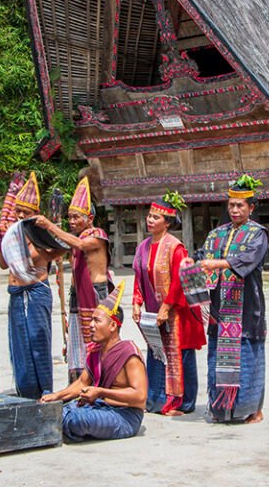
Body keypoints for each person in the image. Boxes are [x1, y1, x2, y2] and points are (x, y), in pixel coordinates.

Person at [185, 174, 269, 424]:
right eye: (231, 205)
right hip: (219, 307)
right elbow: (203, 256)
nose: (234, 210)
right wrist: (193, 262)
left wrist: (218, 263)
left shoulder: (258, 234)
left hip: (247, 308)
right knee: (218, 357)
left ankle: (250, 408)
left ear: (251, 208)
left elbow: (248, 260)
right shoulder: (216, 233)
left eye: (240, 205)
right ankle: (221, 408)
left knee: (247, 358)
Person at [40, 282, 147, 442]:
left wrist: (101, 392)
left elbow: (139, 396)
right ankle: (58, 419)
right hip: (98, 407)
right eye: (91, 321)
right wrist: (57, 396)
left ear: (112, 326)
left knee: (78, 419)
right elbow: (82, 383)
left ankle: (59, 422)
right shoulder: (96, 351)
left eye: (97, 321)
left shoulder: (129, 352)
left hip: (124, 416)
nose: (91, 325)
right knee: (48, 402)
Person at [34, 176, 114, 382]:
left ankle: (99, 382)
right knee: (78, 344)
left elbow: (80, 245)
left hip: (95, 293)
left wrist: (51, 226)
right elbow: (54, 252)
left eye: (76, 217)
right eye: (69, 217)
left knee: (96, 339)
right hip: (77, 296)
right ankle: (79, 384)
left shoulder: (97, 235)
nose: (71, 221)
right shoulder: (74, 237)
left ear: (90, 218)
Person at [132, 190, 205, 415]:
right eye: (150, 216)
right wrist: (136, 302)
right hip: (153, 311)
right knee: (156, 352)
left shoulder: (176, 247)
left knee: (179, 355)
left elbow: (180, 281)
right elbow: (138, 276)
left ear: (167, 223)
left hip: (176, 312)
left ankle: (183, 401)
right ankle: (156, 399)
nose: (150, 220)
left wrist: (166, 307)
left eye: (156, 217)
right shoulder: (143, 246)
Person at [0, 171, 62, 399]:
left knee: (38, 343)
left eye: (27, 212)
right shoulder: (12, 234)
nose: (21, 215)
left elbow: (51, 252)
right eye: (18, 211)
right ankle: (25, 392)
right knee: (20, 345)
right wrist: (0, 243)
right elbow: (4, 264)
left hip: (35, 292)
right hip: (16, 293)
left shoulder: (40, 234)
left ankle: (44, 393)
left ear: (36, 214)